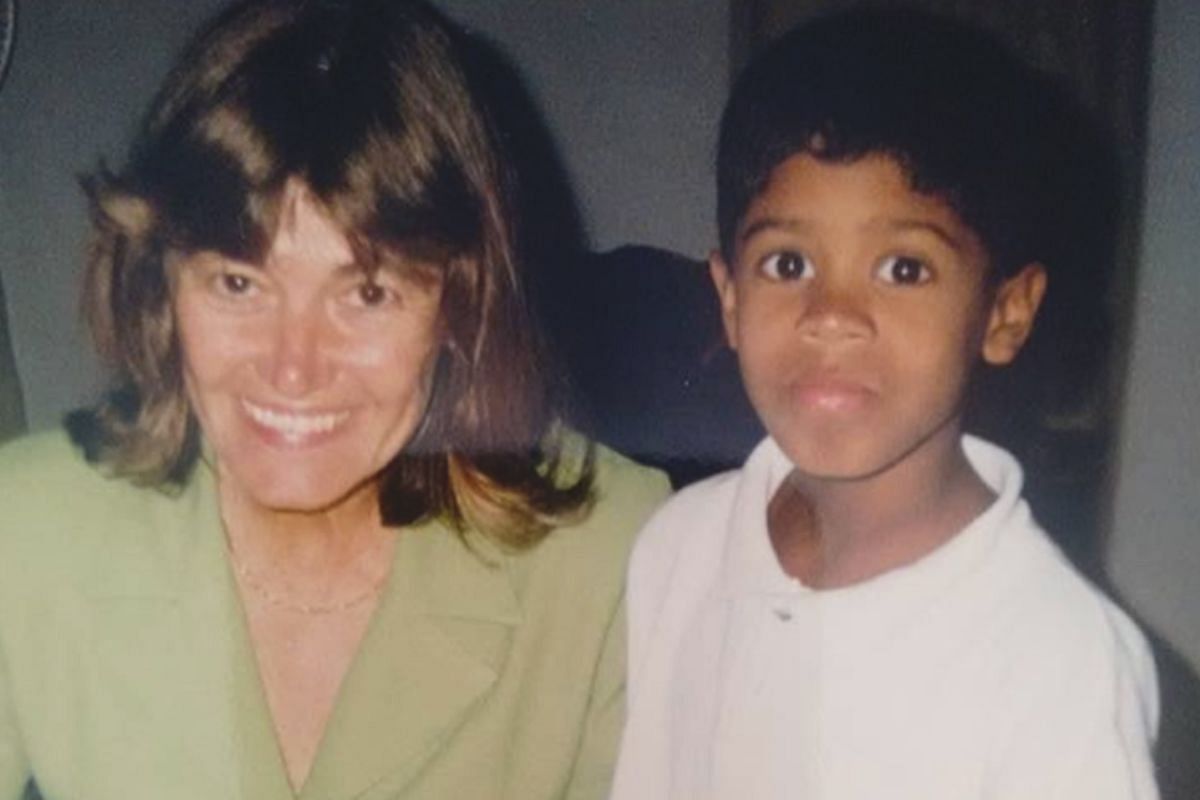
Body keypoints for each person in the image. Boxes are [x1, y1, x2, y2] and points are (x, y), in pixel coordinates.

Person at [0, 1, 669, 798]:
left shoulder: (610, 554)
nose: (292, 368)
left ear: (461, 304)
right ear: (160, 283)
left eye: (368, 294)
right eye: (238, 282)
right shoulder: (28, 531)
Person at [612, 9, 1159, 799]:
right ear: (729, 299)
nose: (832, 313)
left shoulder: (1060, 657)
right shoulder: (677, 549)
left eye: (903, 269)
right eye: (788, 261)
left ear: (1005, 312)